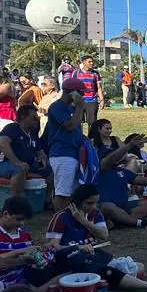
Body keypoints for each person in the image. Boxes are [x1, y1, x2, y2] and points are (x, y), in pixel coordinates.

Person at [45, 185, 147, 292]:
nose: (94, 206)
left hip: (96, 255)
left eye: (95, 202)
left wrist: (83, 221)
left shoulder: (94, 214)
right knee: (104, 269)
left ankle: (105, 281)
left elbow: (104, 235)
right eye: (89, 203)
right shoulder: (61, 217)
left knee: (138, 267)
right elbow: (52, 247)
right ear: (77, 202)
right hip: (72, 259)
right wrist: (78, 248)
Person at [43, 78, 85, 212]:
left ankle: (68, 217)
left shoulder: (71, 108)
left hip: (74, 152)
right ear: (71, 92)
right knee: (62, 192)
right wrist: (79, 107)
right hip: (62, 153)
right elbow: (70, 126)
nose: (82, 96)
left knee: (70, 191)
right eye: (80, 92)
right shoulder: (57, 107)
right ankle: (60, 218)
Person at [0, 105, 48, 197]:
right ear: (23, 117)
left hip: (28, 165)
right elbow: (2, 142)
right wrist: (17, 162)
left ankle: (46, 201)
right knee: (19, 170)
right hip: (5, 163)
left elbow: (40, 151)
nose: (36, 120)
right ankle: (14, 202)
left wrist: (43, 159)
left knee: (49, 171)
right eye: (33, 117)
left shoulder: (33, 133)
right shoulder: (13, 128)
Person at [70, 55, 102, 123]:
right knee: (78, 123)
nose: (91, 63)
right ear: (83, 62)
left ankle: (91, 134)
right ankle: (79, 134)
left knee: (92, 123)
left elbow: (99, 87)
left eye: (92, 61)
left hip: (92, 101)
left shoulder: (95, 74)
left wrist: (102, 100)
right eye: (89, 62)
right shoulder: (76, 73)